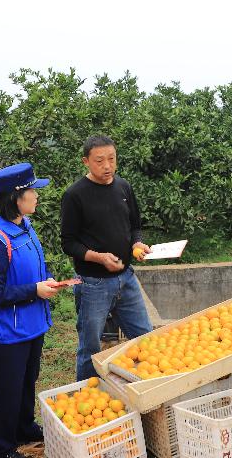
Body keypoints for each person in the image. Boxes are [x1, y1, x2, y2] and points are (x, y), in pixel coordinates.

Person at [0, 162, 60, 458]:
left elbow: (29, 272)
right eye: (33, 191)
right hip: (8, 332)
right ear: (16, 196)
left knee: (27, 382)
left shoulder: (24, 227)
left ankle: (24, 427)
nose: (37, 196)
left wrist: (44, 282)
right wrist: (34, 290)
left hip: (32, 324)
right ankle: (3, 448)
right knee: (7, 391)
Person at [60, 135, 154, 381]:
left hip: (127, 278)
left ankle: (145, 384)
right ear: (86, 162)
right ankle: (86, 396)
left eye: (112, 159)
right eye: (100, 161)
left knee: (145, 336)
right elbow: (68, 243)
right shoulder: (75, 195)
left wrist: (137, 243)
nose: (107, 166)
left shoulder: (123, 187)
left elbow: (135, 226)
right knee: (90, 347)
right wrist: (99, 258)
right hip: (93, 284)